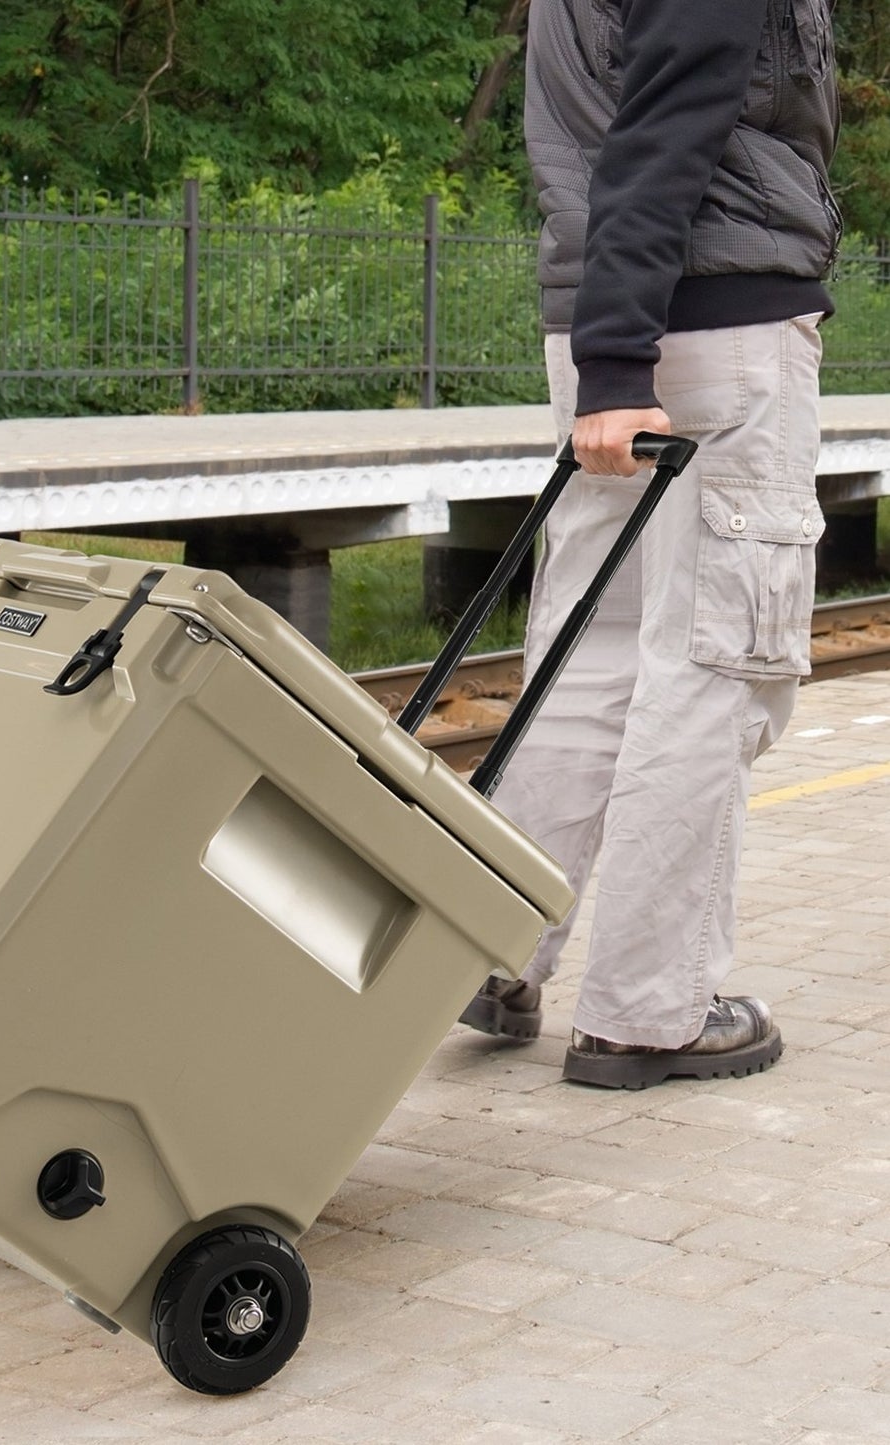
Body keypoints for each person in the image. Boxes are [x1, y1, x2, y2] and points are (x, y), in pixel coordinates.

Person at [458, 0, 841, 1088]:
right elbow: (664, 123)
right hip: (700, 326)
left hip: (605, 322)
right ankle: (648, 1010)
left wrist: (605, 357)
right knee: (712, 666)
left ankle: (484, 950)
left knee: (585, 660)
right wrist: (622, 362)